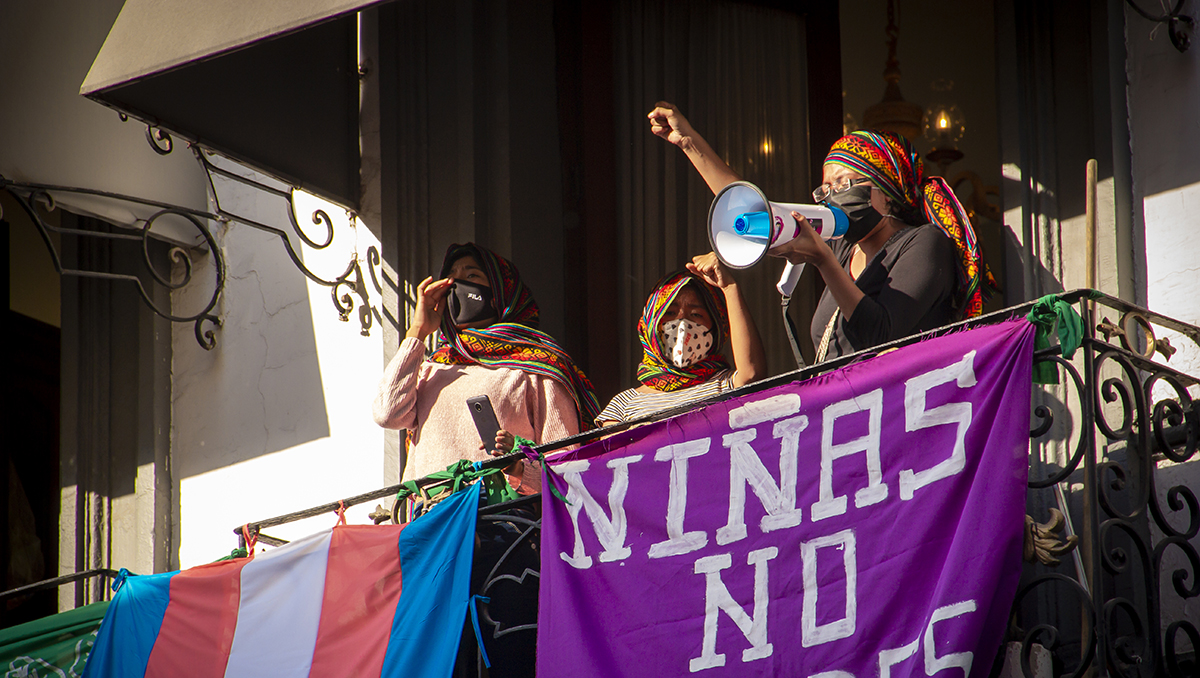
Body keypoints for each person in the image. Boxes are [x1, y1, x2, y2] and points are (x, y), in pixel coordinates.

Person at [648, 102, 997, 362]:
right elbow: (752, 208)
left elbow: (880, 333)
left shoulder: (922, 243)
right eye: (824, 189)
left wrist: (823, 262)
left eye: (842, 183)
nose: (831, 196)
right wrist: (688, 143)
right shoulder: (843, 247)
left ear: (885, 189)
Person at [372, 243, 599, 494]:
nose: (456, 287)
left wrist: (518, 466)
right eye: (450, 279)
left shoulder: (537, 368)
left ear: (501, 291)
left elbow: (564, 467)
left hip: (501, 525)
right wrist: (418, 332)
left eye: (471, 276)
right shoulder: (432, 367)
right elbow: (387, 414)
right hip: (432, 521)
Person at [595, 253, 766, 425]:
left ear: (716, 328)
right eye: (670, 313)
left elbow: (752, 374)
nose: (682, 323)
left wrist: (729, 287)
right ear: (650, 325)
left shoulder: (726, 384)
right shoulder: (623, 405)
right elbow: (615, 450)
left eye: (696, 314)